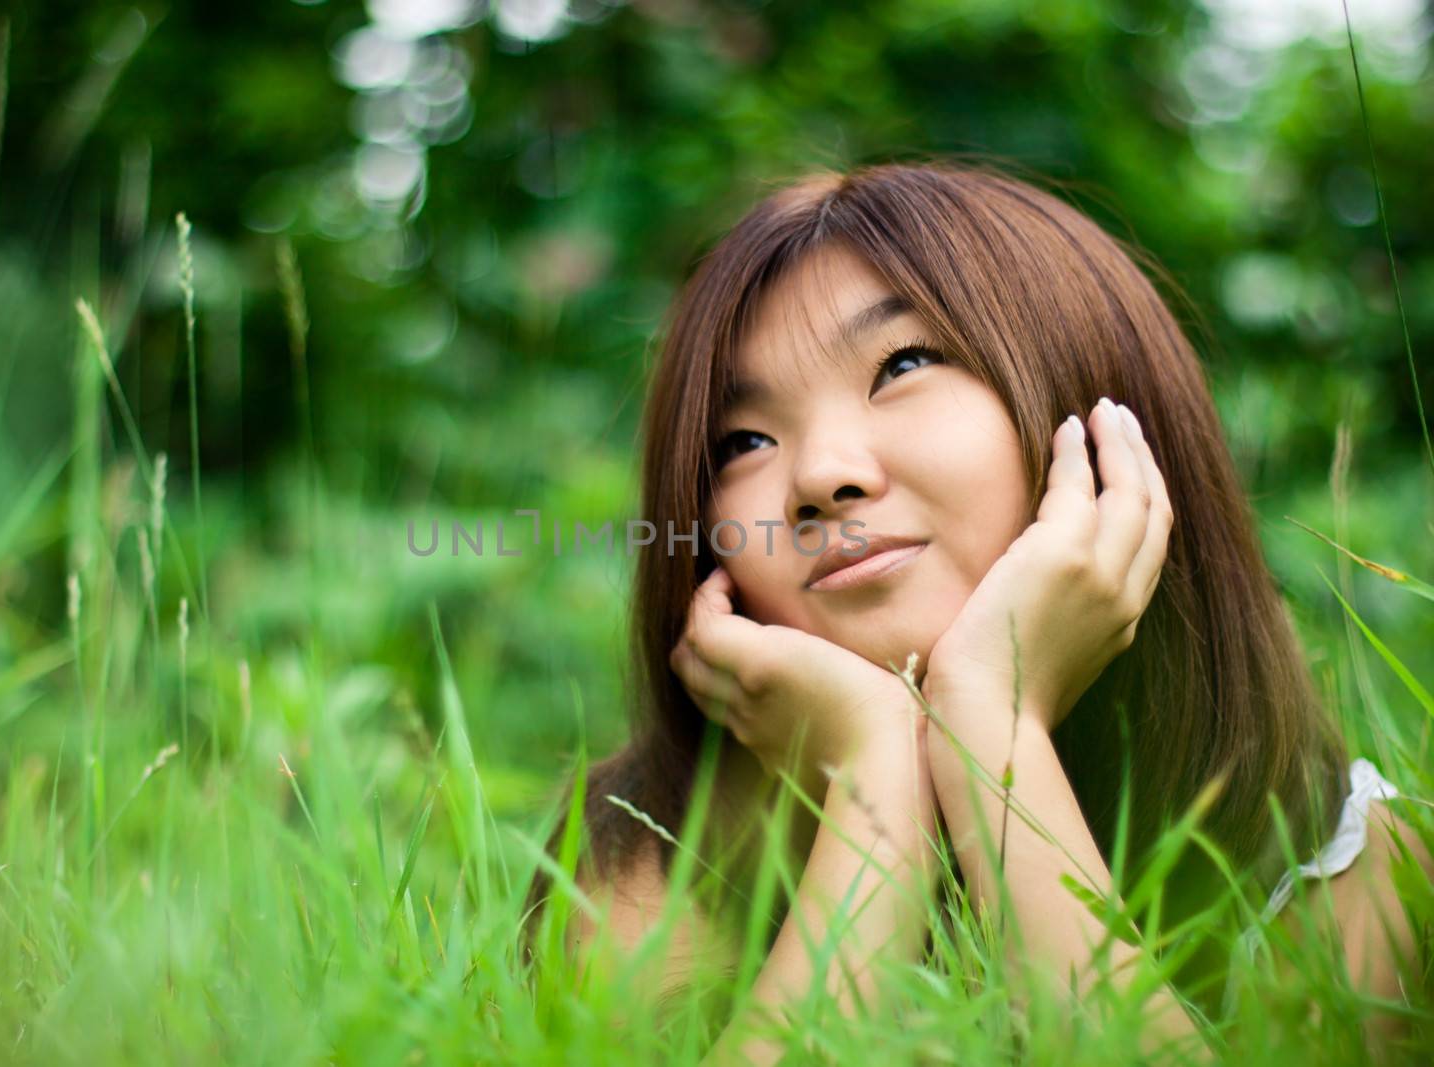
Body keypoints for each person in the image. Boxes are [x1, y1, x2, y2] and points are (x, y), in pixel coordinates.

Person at [519, 159, 1433, 1064]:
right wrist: (874, 785)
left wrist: (991, 722)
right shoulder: (645, 854)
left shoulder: (1342, 859)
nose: (819, 475)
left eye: (902, 363)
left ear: (1092, 402)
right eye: (743, 439)